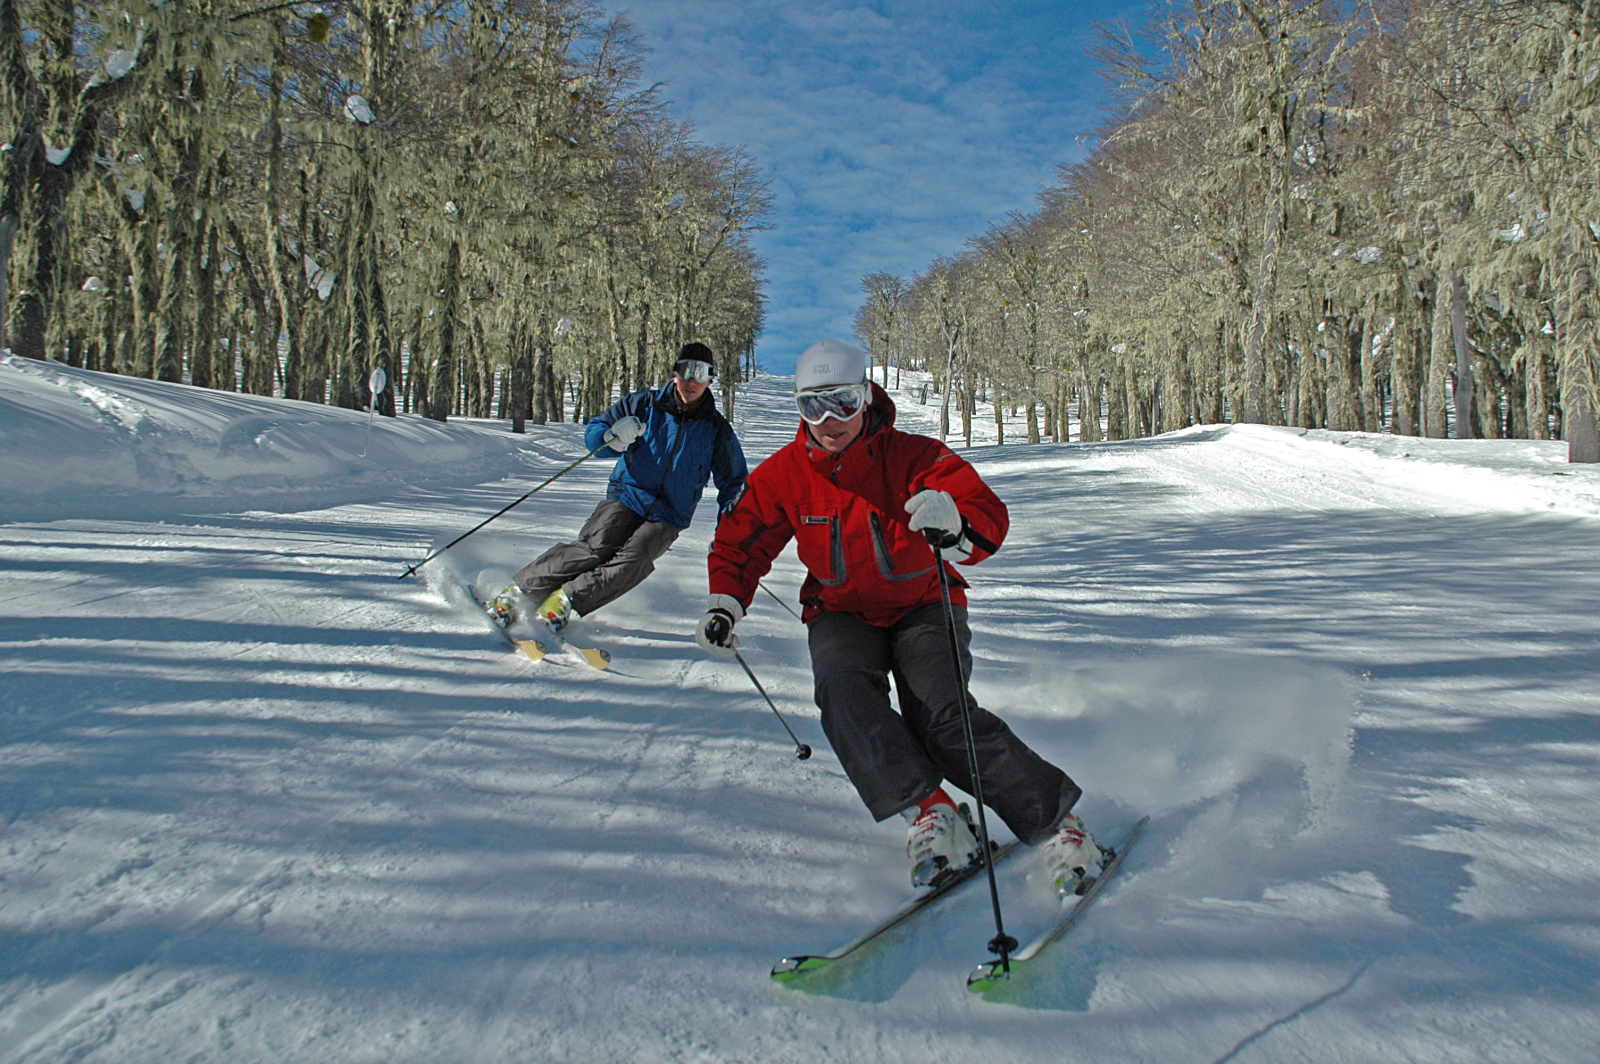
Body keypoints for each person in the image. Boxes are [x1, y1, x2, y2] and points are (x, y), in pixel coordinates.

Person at [694, 338, 1102, 895]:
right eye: (813, 406)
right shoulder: (786, 474)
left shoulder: (915, 456)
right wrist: (726, 601)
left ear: (866, 397)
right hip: (841, 609)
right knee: (843, 695)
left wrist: (955, 525)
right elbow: (742, 542)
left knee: (942, 718)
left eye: (842, 402)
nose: (830, 420)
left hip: (923, 604)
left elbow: (988, 513)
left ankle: (1059, 824)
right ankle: (935, 815)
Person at [490, 342, 748, 632]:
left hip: (669, 514)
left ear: (710, 379)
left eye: (700, 373)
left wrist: (731, 530)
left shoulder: (716, 429)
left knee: (635, 559)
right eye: (686, 370)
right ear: (674, 373)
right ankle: (518, 592)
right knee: (596, 547)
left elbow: (735, 484)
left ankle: (565, 599)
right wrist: (613, 436)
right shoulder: (644, 405)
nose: (692, 381)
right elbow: (594, 434)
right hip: (628, 494)